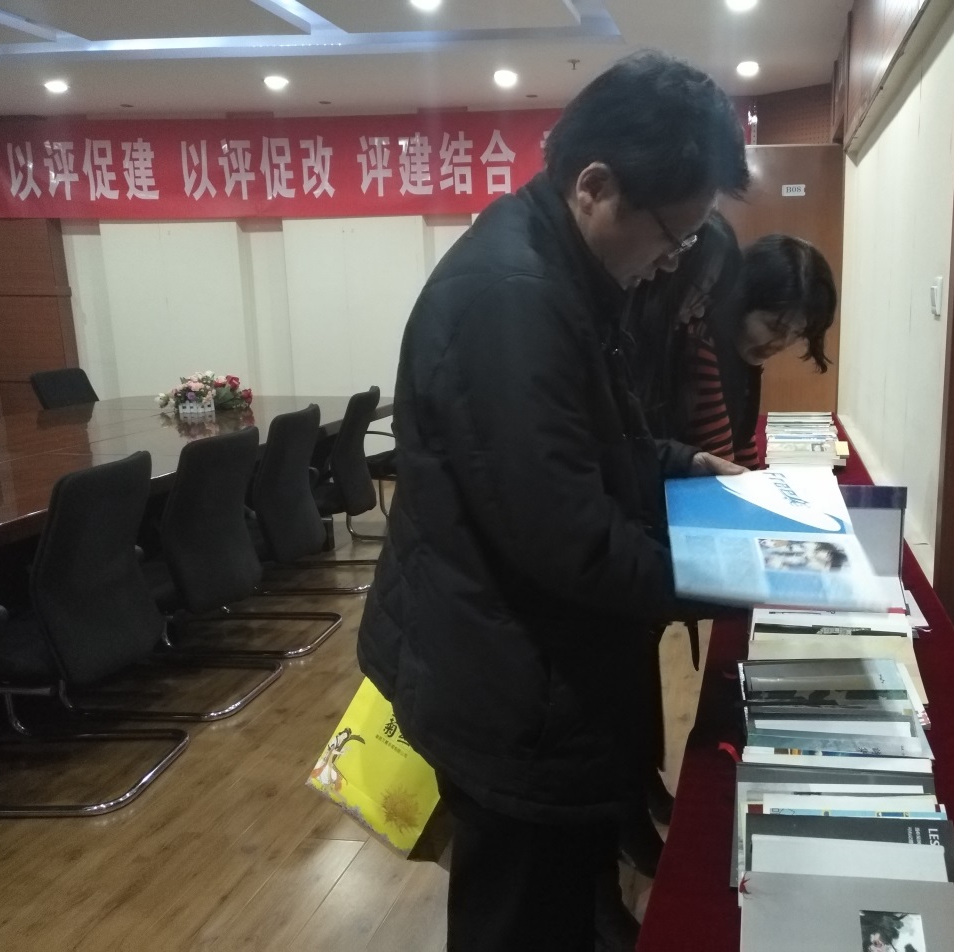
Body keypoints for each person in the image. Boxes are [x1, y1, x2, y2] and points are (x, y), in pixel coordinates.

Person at [356, 50, 749, 952]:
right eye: (671, 235)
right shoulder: (512, 300)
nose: (671, 261)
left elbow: (588, 444)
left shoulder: (560, 265)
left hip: (525, 670)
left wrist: (684, 463)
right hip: (510, 690)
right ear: (594, 185)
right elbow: (570, 540)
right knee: (521, 920)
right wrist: (740, 578)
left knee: (563, 907)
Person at [629, 227, 838, 468]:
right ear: (742, 299)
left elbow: (742, 439)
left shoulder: (744, 350)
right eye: (774, 327)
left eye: (798, 334)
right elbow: (721, 461)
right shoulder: (700, 342)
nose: (782, 344)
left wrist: (757, 478)